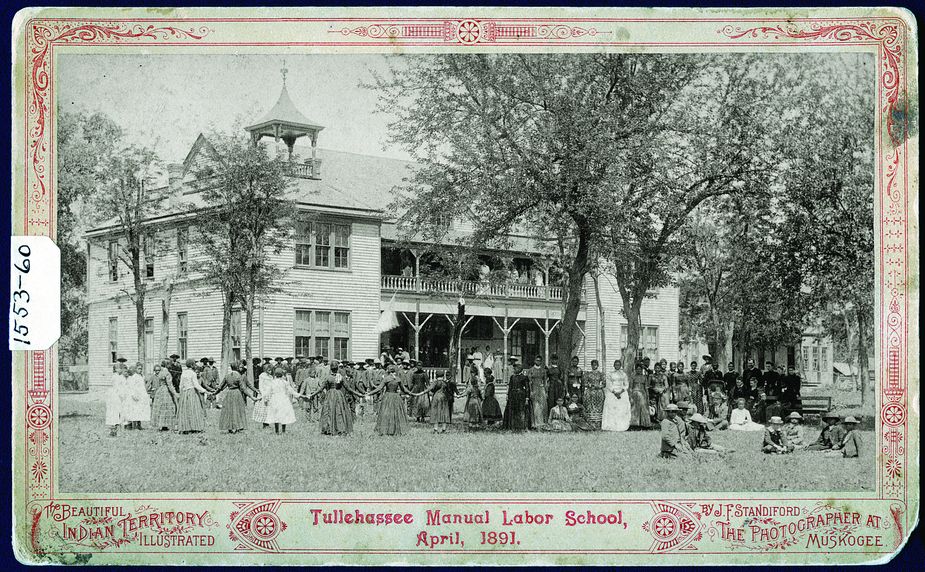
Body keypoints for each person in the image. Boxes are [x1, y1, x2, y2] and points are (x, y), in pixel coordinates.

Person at [213, 365, 256, 433]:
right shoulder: (238, 376)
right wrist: (251, 397)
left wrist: (215, 393)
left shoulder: (227, 376)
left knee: (229, 410)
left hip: (229, 393)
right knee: (238, 410)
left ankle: (230, 427)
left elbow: (220, 387)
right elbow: (243, 388)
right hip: (237, 393)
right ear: (237, 368)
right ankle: (238, 427)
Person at [375, 365, 410, 436]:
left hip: (388, 397)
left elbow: (379, 388)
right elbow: (404, 389)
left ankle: (386, 430)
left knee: (386, 413)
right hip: (396, 396)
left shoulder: (386, 378)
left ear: (388, 371)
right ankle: (394, 430)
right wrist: (412, 393)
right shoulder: (398, 379)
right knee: (396, 413)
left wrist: (369, 393)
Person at [319, 362, 353, 435]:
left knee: (328, 411)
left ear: (331, 369)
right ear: (337, 368)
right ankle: (339, 428)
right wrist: (359, 394)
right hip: (338, 395)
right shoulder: (340, 377)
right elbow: (348, 388)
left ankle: (328, 428)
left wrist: (312, 394)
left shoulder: (328, 377)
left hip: (330, 395)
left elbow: (321, 388)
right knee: (339, 411)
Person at [176, 359, 209, 434]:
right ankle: (195, 427)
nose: (195, 366)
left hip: (185, 393)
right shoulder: (193, 373)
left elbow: (181, 385)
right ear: (191, 365)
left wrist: (181, 393)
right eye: (194, 364)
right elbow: (196, 385)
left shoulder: (183, 373)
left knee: (186, 410)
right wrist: (204, 391)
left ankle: (186, 427)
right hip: (192, 392)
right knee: (194, 409)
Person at [602, 359, 630, 432]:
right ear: (614, 365)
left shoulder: (623, 374)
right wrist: (614, 392)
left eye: (618, 365)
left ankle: (621, 425)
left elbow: (626, 384)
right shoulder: (610, 374)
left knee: (621, 409)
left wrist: (621, 391)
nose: (617, 366)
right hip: (612, 392)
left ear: (620, 366)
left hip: (621, 392)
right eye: (616, 364)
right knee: (612, 409)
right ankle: (612, 425)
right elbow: (608, 384)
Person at [150, 360, 179, 432]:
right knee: (167, 408)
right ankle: (165, 425)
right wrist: (175, 393)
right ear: (167, 365)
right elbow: (170, 385)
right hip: (166, 391)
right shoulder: (167, 373)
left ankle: (162, 425)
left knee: (161, 408)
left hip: (160, 390)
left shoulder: (161, 372)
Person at [502, 363, 530, 432]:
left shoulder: (524, 377)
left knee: (520, 411)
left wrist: (527, 398)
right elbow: (510, 387)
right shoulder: (512, 377)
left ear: (520, 369)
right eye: (514, 368)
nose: (514, 370)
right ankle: (512, 427)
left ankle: (521, 427)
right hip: (513, 395)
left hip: (520, 396)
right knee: (512, 411)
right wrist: (508, 395)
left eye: (515, 368)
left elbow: (527, 388)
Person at [124, 363, 150, 430]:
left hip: (141, 395)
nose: (140, 370)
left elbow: (142, 386)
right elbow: (132, 387)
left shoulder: (141, 376)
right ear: (136, 369)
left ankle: (139, 425)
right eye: (139, 369)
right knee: (135, 411)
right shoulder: (134, 377)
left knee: (140, 410)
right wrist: (133, 395)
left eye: (141, 369)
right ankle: (134, 426)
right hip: (135, 396)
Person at [105, 362, 128, 436]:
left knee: (119, 413)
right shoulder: (115, 377)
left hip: (119, 396)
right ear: (116, 369)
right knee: (115, 413)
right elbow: (118, 388)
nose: (121, 369)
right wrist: (122, 395)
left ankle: (117, 430)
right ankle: (113, 430)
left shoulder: (120, 377)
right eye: (119, 368)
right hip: (115, 396)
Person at [583, 359, 606, 429]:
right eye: (593, 364)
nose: (594, 366)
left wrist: (599, 386)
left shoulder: (601, 374)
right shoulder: (588, 374)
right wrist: (589, 385)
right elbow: (585, 383)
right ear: (591, 365)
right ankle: (590, 423)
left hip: (598, 391)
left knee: (598, 407)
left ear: (598, 365)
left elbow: (604, 384)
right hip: (590, 391)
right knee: (590, 406)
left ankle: (598, 423)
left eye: (595, 364)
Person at [526, 356, 548, 429]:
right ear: (534, 361)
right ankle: (534, 423)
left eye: (540, 360)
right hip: (534, 388)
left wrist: (546, 391)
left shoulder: (543, 370)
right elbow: (529, 382)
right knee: (535, 406)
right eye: (537, 360)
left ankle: (542, 422)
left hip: (541, 389)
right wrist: (531, 391)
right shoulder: (530, 370)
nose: (538, 362)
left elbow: (545, 382)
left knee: (542, 405)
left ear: (541, 362)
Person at [628, 362, 652, 429]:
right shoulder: (633, 377)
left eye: (640, 369)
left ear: (642, 370)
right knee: (635, 409)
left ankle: (644, 424)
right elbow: (630, 387)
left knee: (643, 408)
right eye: (637, 369)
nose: (639, 370)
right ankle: (634, 424)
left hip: (643, 393)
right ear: (635, 370)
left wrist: (647, 396)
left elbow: (646, 388)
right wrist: (630, 396)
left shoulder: (644, 377)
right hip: (635, 393)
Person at [252, 363, 273, 428]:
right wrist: (263, 395)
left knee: (269, 410)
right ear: (265, 370)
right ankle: (264, 424)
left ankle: (267, 423)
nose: (270, 371)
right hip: (264, 394)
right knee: (264, 409)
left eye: (271, 370)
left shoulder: (271, 377)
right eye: (269, 370)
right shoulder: (262, 376)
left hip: (270, 394)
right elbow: (260, 386)